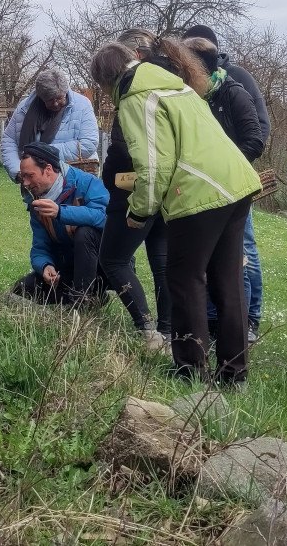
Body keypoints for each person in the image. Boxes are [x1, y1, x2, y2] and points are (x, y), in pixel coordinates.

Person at [90, 40, 261, 387]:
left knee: (185, 279)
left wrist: (139, 212)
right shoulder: (176, 84)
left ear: (105, 83)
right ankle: (234, 373)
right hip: (237, 182)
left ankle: (190, 369)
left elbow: (155, 167)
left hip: (199, 191)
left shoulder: (138, 98)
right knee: (227, 283)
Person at [96, 29, 189, 347]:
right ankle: (165, 331)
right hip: (165, 191)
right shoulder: (167, 83)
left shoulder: (133, 95)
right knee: (161, 261)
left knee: (113, 259)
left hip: (135, 191)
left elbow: (131, 150)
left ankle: (147, 330)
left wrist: (126, 191)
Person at [185, 35, 266, 344]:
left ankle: (244, 323)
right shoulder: (191, 97)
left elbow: (255, 139)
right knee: (206, 258)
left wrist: (225, 170)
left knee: (239, 257)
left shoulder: (233, 92)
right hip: (199, 190)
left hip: (230, 188)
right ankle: (212, 321)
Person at [11, 143, 110, 304]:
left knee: (85, 232)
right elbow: (39, 245)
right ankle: (93, 297)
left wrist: (61, 212)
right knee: (23, 288)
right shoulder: (36, 201)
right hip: (67, 267)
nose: (26, 183)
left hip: (102, 265)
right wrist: (45, 265)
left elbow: (104, 217)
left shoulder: (87, 182)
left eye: (30, 176)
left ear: (48, 169)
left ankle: (83, 300)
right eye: (23, 177)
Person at [0, 68, 99, 182]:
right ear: (41, 97)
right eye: (50, 100)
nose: (56, 103)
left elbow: (89, 143)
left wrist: (40, 154)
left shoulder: (82, 104)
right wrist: (18, 171)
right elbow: (9, 140)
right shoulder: (24, 108)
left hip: (75, 180)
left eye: (59, 98)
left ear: (65, 91)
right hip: (37, 183)